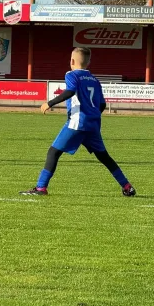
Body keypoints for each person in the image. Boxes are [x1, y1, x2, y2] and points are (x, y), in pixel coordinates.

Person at [20, 47, 136, 197]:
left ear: (72, 61)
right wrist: (91, 115)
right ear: (89, 62)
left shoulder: (71, 75)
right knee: (104, 157)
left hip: (77, 123)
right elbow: (102, 105)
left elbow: (70, 91)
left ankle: (41, 188)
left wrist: (49, 103)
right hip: (93, 124)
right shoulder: (94, 80)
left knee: (53, 152)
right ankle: (127, 186)